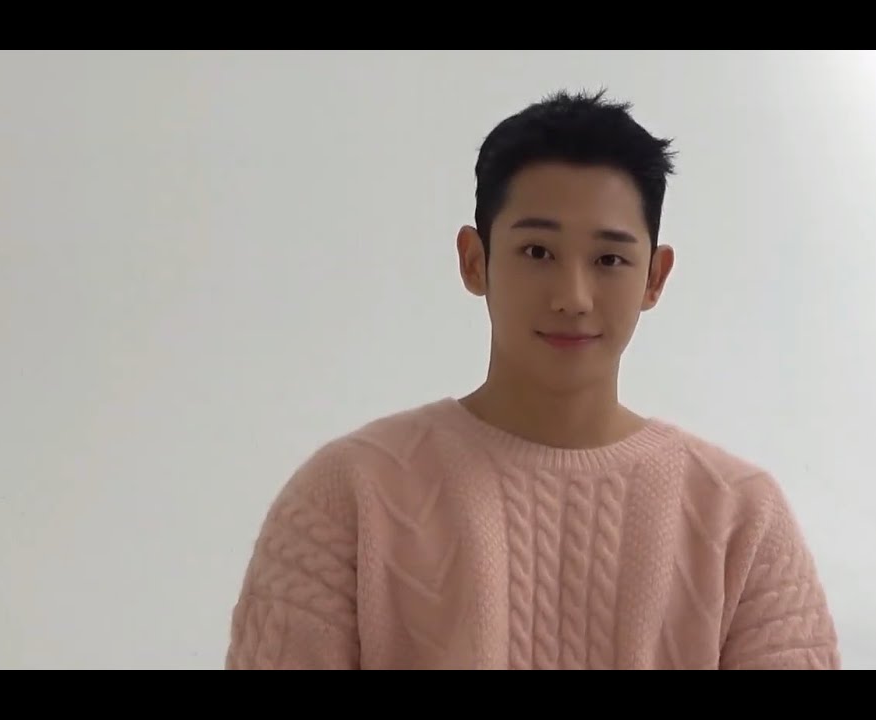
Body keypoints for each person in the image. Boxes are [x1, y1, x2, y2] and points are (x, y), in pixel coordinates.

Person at [224, 89, 841, 670]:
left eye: (609, 259)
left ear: (655, 277)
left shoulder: (739, 517)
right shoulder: (347, 495)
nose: (573, 297)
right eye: (537, 252)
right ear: (474, 261)